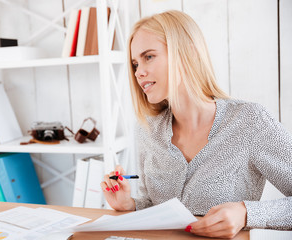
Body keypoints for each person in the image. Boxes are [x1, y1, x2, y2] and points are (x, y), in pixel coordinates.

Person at [100, 10, 292, 239]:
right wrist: (130, 204)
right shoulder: (147, 130)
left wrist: (246, 213)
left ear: (186, 52)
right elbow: (156, 207)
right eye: (134, 64)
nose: (139, 72)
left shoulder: (250, 121)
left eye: (148, 57)